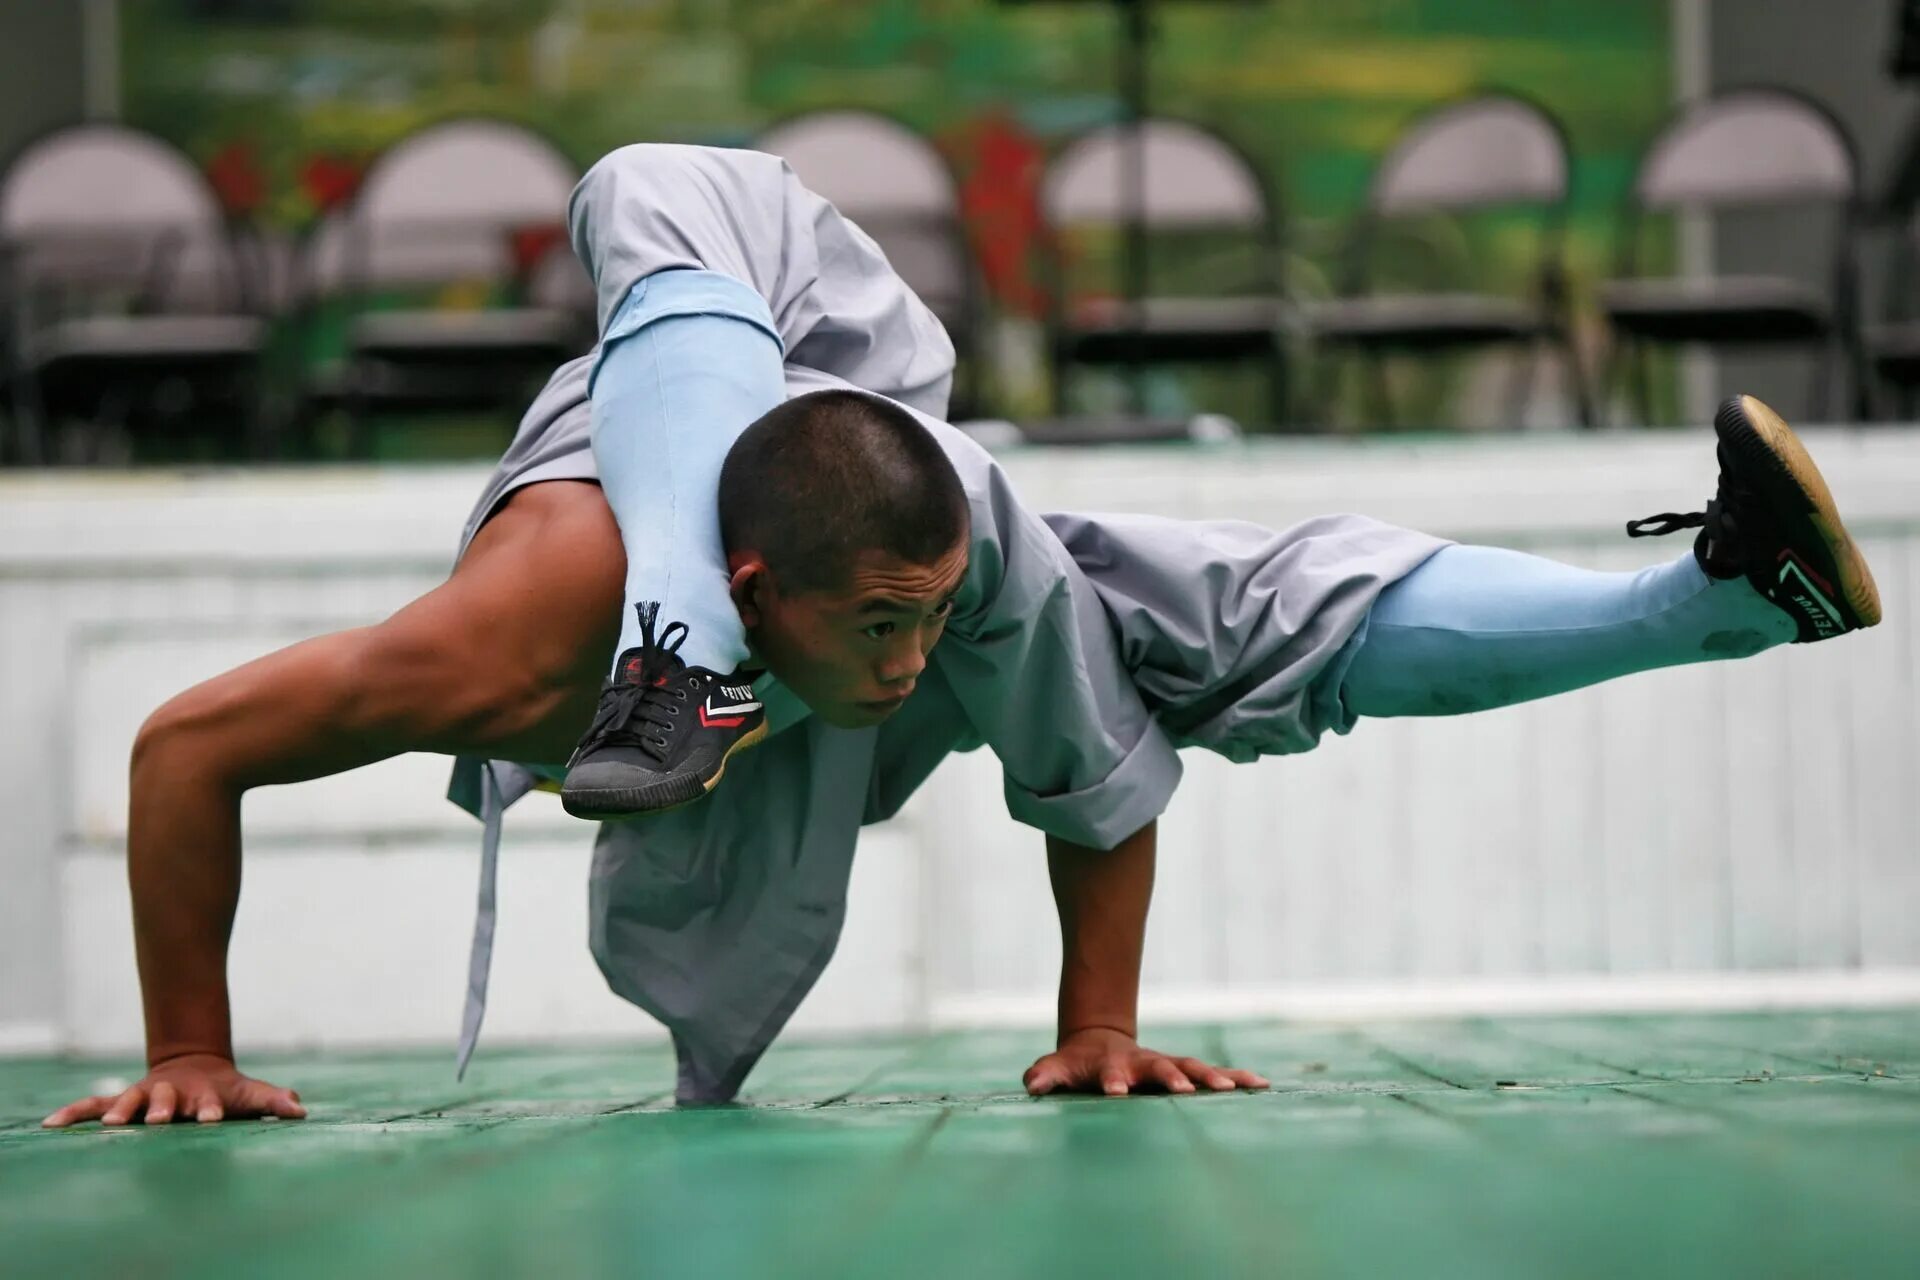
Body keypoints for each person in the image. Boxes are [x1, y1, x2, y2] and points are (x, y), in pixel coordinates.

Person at [42, 146, 1880, 1128]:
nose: (922, 665)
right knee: (638, 179)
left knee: (1214, 609)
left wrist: (1101, 1026)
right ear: (761, 597)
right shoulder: (516, 635)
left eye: (935, 623)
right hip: (679, 589)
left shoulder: (958, 550)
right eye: (884, 632)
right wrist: (189, 1047)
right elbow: (185, 746)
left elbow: (1093, 772)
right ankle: (672, 656)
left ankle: (1709, 604)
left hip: (814, 467)